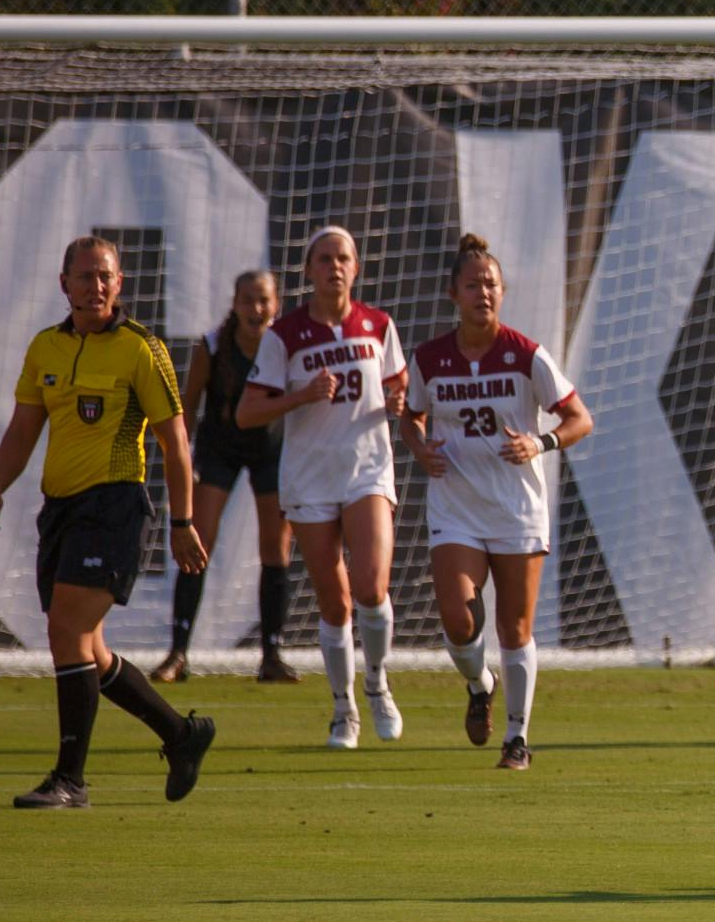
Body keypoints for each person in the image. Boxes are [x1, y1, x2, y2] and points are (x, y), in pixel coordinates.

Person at [0, 235, 216, 808]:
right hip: (60, 510)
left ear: (120, 283)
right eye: (85, 277)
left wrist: (183, 522)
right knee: (91, 649)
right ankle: (183, 735)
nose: (96, 286)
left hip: (114, 507)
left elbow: (175, 442)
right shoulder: (45, 349)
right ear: (65, 284)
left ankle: (70, 780)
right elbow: (24, 429)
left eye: (106, 276)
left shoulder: (140, 348)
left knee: (66, 629)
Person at [398, 234, 592, 770]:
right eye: (472, 284)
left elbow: (580, 419)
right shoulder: (430, 359)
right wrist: (419, 446)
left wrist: (541, 441)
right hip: (456, 506)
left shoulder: (525, 354)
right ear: (452, 294)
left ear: (502, 291)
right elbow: (410, 417)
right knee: (460, 621)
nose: (483, 291)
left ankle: (516, 739)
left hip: (516, 508)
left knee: (515, 628)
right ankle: (480, 684)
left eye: (491, 283)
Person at [237, 226, 407, 749]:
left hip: (366, 470)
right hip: (310, 476)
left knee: (372, 588)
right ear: (308, 270)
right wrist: (301, 395)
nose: (335, 266)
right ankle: (343, 707)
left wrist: (401, 402)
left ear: (356, 268)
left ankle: (376, 682)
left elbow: (400, 385)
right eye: (325, 259)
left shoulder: (378, 325)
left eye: (344, 258)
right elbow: (247, 412)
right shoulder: (284, 335)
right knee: (335, 604)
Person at [152, 270, 297, 684]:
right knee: (199, 540)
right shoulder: (213, 346)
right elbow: (188, 406)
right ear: (234, 304)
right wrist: (182, 463)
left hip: (270, 450)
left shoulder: (284, 347)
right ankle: (177, 654)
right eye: (248, 300)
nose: (257, 309)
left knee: (276, 546)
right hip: (219, 450)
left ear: (277, 304)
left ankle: (272, 656)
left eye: (264, 300)